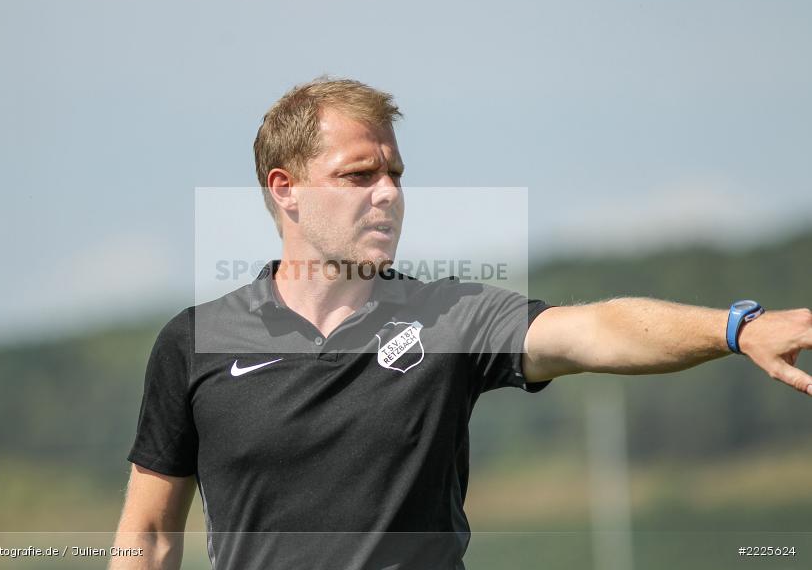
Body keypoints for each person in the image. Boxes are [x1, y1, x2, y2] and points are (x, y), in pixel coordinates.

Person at [109, 77, 812, 570]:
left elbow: (595, 331)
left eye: (395, 174)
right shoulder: (193, 343)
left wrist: (736, 328)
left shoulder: (447, 316)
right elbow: (147, 534)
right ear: (285, 189)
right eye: (360, 175)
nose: (388, 194)